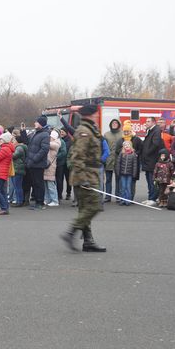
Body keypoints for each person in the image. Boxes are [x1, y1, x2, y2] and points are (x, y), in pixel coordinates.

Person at [60, 104, 105, 252]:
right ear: (90, 115)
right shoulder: (84, 131)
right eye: (96, 114)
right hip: (85, 175)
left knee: (85, 208)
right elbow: (78, 157)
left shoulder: (89, 129)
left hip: (89, 173)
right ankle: (71, 232)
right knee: (94, 206)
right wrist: (82, 178)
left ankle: (88, 241)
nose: (97, 116)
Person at [25, 116, 50, 210]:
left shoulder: (45, 134)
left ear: (41, 123)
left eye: (36, 122)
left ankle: (40, 203)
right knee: (35, 183)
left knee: (39, 183)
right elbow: (28, 143)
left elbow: (44, 149)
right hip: (32, 163)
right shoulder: (36, 133)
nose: (34, 123)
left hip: (38, 164)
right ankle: (37, 202)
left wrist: (34, 159)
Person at [141, 116, 164, 205]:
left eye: (148, 121)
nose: (146, 123)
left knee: (152, 180)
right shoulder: (149, 131)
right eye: (146, 121)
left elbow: (155, 144)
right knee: (149, 180)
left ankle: (153, 198)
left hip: (152, 160)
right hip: (148, 160)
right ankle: (150, 197)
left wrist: (146, 153)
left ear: (153, 123)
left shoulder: (156, 130)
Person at [103, 118, 122, 203]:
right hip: (109, 159)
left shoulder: (122, 134)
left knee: (118, 179)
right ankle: (108, 196)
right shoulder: (106, 134)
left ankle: (118, 196)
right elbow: (103, 147)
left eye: (116, 123)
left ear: (118, 125)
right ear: (110, 125)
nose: (114, 124)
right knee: (108, 179)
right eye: (113, 123)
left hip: (119, 159)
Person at [115, 141, 138, 206]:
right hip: (122, 174)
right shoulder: (121, 153)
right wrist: (118, 171)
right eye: (125, 145)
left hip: (129, 174)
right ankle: (122, 200)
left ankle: (128, 200)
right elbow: (118, 163)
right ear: (123, 147)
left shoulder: (133, 154)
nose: (126, 146)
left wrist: (134, 174)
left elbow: (135, 165)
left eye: (128, 145)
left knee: (128, 187)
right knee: (123, 187)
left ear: (131, 146)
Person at [44, 129, 61, 206]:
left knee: (51, 185)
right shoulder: (52, 142)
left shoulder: (56, 144)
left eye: (51, 136)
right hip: (47, 166)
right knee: (46, 185)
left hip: (51, 166)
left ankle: (55, 200)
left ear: (54, 137)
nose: (49, 137)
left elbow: (48, 144)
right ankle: (47, 199)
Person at [11, 133, 27, 207]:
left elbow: (13, 156)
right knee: (17, 186)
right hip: (17, 169)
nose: (13, 141)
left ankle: (19, 201)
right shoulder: (19, 147)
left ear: (17, 141)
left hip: (18, 169)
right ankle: (18, 200)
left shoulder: (19, 148)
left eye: (14, 140)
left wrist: (8, 151)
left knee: (18, 186)